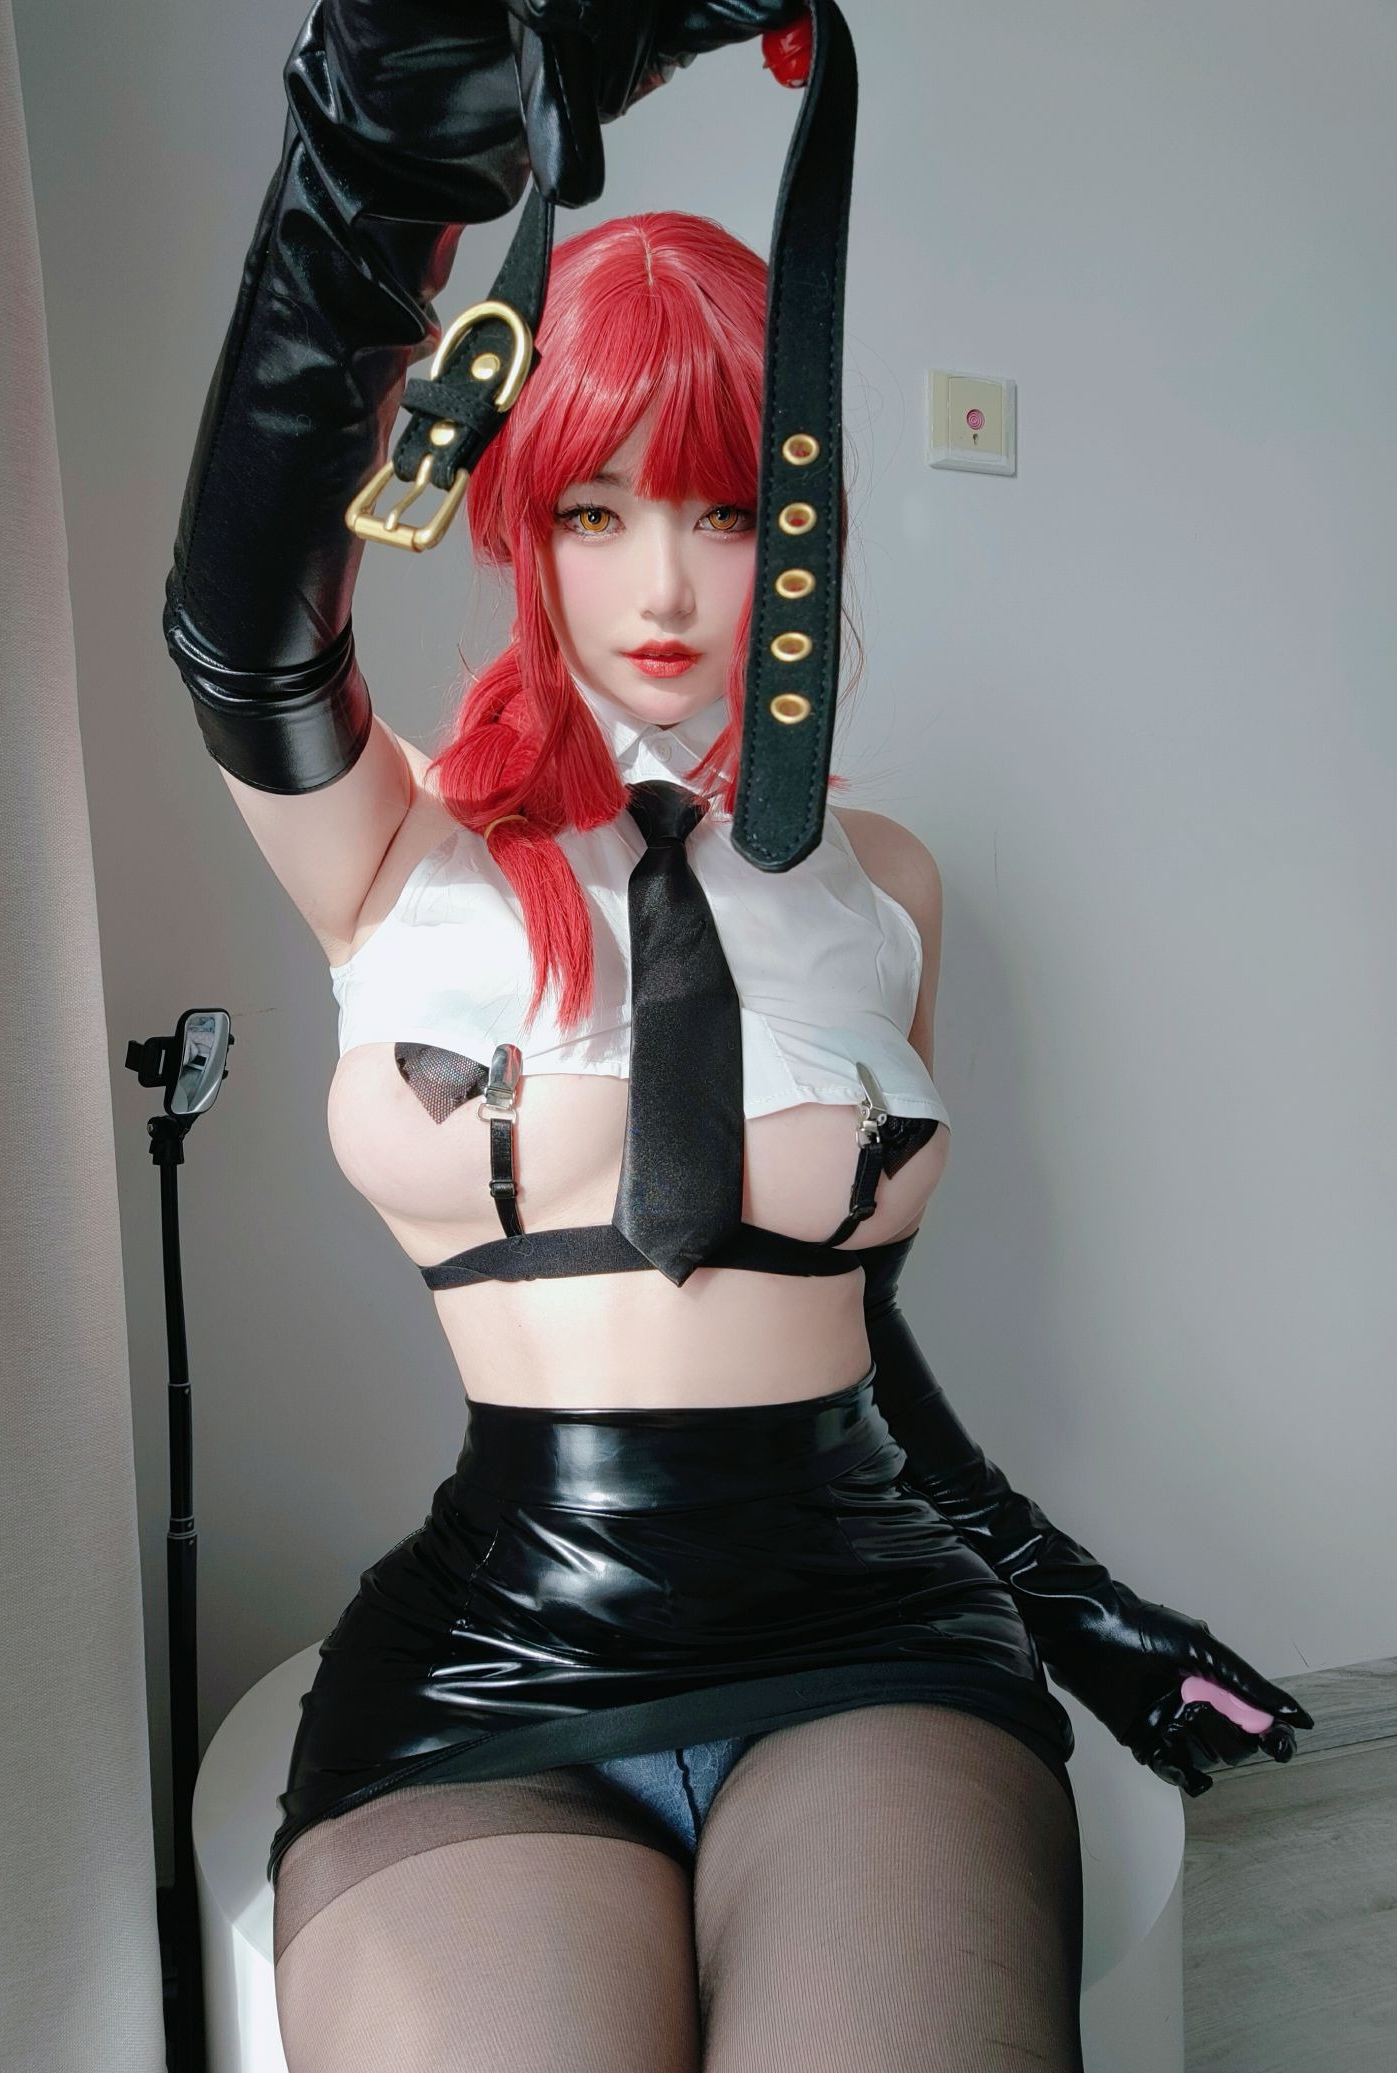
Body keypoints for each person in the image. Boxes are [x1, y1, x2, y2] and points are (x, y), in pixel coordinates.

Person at [161, 7, 1313, 2067]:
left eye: (724, 509)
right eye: (597, 510)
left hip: (873, 1633)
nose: (670, 584)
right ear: (517, 521)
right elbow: (243, 615)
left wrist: (1074, 1605)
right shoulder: (398, 846)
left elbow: (858, 1334)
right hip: (488, 1669)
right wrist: (394, 158)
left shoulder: (883, 885)